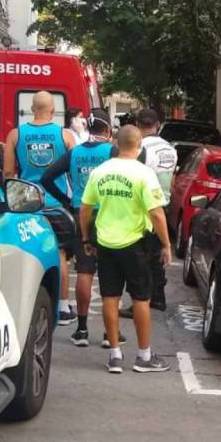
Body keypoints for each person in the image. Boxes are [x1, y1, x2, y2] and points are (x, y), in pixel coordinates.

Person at [79, 125, 173, 374]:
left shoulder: (100, 172)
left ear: (116, 144)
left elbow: (86, 208)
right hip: (134, 245)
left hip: (106, 244)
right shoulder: (144, 174)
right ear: (139, 144)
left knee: (110, 297)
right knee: (141, 298)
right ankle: (143, 356)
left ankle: (114, 355)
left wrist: (87, 238)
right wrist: (166, 244)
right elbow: (156, 213)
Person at [41, 110, 116, 348]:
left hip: (80, 213)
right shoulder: (112, 152)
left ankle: (82, 330)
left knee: (84, 272)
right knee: (110, 276)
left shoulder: (74, 153)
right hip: (108, 215)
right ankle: (109, 334)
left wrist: (65, 199)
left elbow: (47, 177)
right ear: (108, 130)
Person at [5, 91, 77, 324]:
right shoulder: (65, 136)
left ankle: (23, 304)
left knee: (27, 255)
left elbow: (8, 172)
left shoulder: (15, 135)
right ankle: (63, 307)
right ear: (53, 110)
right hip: (55, 205)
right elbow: (73, 171)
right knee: (60, 255)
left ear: (31, 108)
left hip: (26, 204)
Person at [135, 109, 178, 311]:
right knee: (158, 252)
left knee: (141, 255)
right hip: (165, 204)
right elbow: (172, 178)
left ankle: (145, 297)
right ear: (157, 124)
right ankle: (158, 296)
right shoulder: (170, 148)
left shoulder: (141, 148)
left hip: (145, 207)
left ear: (137, 125)